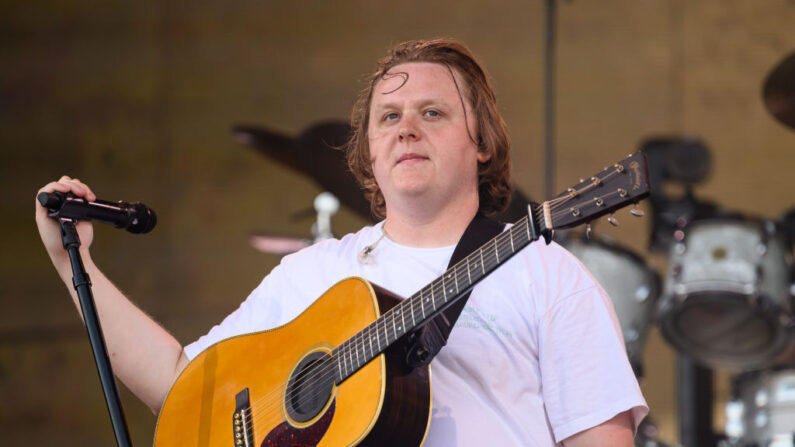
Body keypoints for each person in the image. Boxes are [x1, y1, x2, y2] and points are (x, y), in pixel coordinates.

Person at [36, 38, 647, 446]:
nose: (406, 126)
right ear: (370, 154)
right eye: (389, 116)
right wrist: (74, 262)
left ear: (481, 143)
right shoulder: (313, 272)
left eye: (433, 112)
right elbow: (180, 387)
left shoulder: (545, 274)